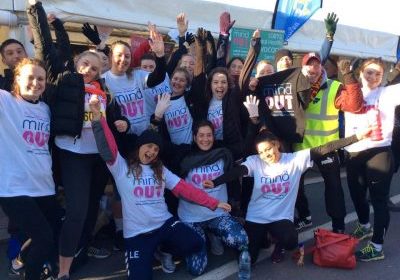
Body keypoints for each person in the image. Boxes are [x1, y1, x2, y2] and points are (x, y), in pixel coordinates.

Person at [27, 1, 131, 278]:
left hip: (98, 156)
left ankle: (78, 250)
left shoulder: (104, 90)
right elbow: (47, 50)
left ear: (100, 73)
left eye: (94, 68)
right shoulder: (65, 82)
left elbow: (118, 118)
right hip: (72, 155)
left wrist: (123, 122)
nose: (89, 70)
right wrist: (38, 13)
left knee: (90, 208)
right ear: (76, 63)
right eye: (85, 64)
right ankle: (63, 269)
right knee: (76, 210)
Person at [204, 105, 371, 264]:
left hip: (280, 217)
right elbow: (237, 171)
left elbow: (326, 147)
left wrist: (357, 137)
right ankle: (264, 237)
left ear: (276, 145)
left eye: (268, 149)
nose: (265, 155)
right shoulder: (255, 162)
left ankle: (279, 243)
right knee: (249, 258)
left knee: (291, 241)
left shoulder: (294, 160)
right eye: (261, 152)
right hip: (256, 216)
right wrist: (216, 181)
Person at [89, 96, 231, 279]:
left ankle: (164, 249)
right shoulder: (121, 167)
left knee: (195, 243)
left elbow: (185, 189)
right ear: (139, 146)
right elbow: (107, 146)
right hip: (137, 235)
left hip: (164, 224)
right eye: (149, 147)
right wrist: (98, 118)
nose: (152, 152)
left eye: (156, 150)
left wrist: (213, 202)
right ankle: (150, 252)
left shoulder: (160, 170)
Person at [0, 57, 59, 280]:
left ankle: (19, 262)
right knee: (43, 238)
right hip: (14, 187)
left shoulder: (45, 108)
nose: (36, 82)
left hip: (44, 185)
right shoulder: (6, 101)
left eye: (40, 78)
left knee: (48, 234)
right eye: (30, 77)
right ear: (17, 79)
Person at [293, 52, 364, 233]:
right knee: (296, 188)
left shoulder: (334, 87)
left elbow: (355, 106)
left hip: (327, 148)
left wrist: (348, 75)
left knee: (333, 188)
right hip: (300, 149)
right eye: (309, 65)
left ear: (322, 68)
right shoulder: (294, 86)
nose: (313, 69)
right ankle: (304, 216)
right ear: (303, 68)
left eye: (317, 65)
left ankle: (338, 227)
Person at [344, 57, 400, 261]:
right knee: (357, 195)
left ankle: (377, 247)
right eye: (369, 72)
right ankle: (365, 226)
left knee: (379, 201)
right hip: (354, 152)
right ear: (360, 73)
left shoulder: (388, 93)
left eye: (378, 74)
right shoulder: (349, 91)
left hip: (380, 152)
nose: (374, 77)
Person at [178, 120, 250, 278]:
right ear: (194, 137)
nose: (205, 139)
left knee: (241, 240)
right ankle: (203, 238)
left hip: (218, 214)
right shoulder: (184, 159)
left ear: (214, 136)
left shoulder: (223, 154)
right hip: (191, 217)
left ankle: (213, 233)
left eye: (209, 135)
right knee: (196, 269)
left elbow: (244, 146)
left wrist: (253, 122)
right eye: (201, 135)